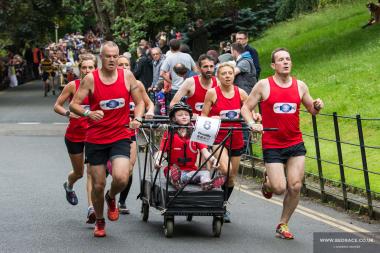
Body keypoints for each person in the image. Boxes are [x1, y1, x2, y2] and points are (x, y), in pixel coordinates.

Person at [241, 48, 324, 239]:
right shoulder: (263, 85)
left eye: (288, 59)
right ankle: (268, 182)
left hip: (295, 143)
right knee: (279, 188)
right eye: (281, 60)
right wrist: (252, 123)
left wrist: (317, 105)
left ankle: (283, 223)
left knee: (295, 186)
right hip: (272, 144)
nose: (285, 62)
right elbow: (245, 108)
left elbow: (311, 108)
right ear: (273, 65)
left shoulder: (300, 85)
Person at [69, 41, 145, 237]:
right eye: (108, 56)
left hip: (120, 134)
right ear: (101, 57)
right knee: (98, 184)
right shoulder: (90, 79)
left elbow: (140, 103)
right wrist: (88, 113)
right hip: (96, 138)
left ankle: (112, 197)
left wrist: (137, 118)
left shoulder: (127, 76)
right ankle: (100, 221)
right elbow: (74, 105)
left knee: (121, 176)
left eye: (115, 56)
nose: (112, 59)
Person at [202, 62, 262, 223]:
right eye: (224, 74)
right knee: (226, 170)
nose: (227, 76)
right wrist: (211, 118)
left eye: (230, 73)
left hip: (235, 137)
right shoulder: (212, 93)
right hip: (218, 138)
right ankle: (214, 195)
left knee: (231, 178)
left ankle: (222, 204)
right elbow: (203, 117)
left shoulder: (241, 92)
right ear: (218, 76)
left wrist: (255, 117)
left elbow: (249, 110)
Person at [54, 53, 97, 224]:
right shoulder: (73, 85)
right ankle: (69, 185)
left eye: (90, 67)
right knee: (79, 173)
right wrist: (68, 113)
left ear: (95, 68)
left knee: (91, 173)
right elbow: (57, 105)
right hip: (74, 135)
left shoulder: (100, 86)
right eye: (84, 67)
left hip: (94, 135)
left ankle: (91, 209)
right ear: (80, 69)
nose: (87, 70)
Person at [154, 102, 225, 190]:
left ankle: (207, 183)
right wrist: (157, 161)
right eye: (180, 115)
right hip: (174, 169)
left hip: (192, 172)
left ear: (190, 117)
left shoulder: (196, 132)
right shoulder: (169, 133)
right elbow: (160, 151)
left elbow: (205, 152)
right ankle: (176, 181)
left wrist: (214, 160)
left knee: (205, 173)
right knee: (170, 172)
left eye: (186, 115)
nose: (184, 116)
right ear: (173, 118)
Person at [116, 55, 154, 214]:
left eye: (127, 65)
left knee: (129, 169)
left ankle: (121, 201)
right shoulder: (109, 83)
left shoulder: (137, 84)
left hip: (129, 131)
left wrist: (150, 111)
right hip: (110, 131)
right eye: (120, 65)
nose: (124, 67)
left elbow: (148, 103)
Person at [160, 39, 197, 103]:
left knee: (176, 110)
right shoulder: (188, 56)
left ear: (170, 48)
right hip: (188, 88)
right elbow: (195, 70)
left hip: (176, 89)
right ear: (180, 47)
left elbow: (162, 74)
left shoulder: (169, 58)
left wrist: (172, 82)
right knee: (189, 110)